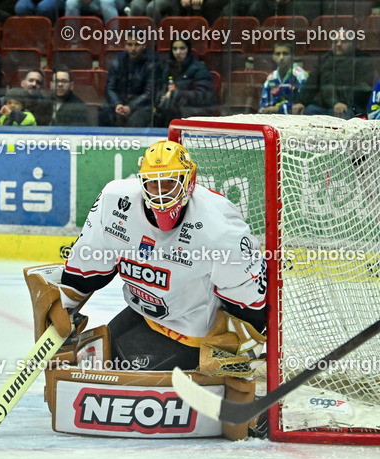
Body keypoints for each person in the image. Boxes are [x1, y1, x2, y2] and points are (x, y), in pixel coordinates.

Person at [44, 140, 267, 373]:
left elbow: (249, 299)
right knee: (86, 366)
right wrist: (65, 305)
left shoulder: (218, 228)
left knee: (116, 380)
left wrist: (241, 344)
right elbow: (87, 268)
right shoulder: (115, 202)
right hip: (142, 314)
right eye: (153, 184)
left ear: (189, 181)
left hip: (192, 332)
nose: (161, 194)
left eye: (170, 182)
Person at [292, 35, 373, 119]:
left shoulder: (362, 60)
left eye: (344, 41)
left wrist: (345, 103)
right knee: (307, 111)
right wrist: (300, 102)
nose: (338, 44)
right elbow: (311, 83)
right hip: (325, 107)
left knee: (345, 114)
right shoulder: (325, 60)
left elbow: (362, 88)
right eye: (335, 41)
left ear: (352, 44)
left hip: (350, 108)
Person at [152, 39, 217, 128]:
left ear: (188, 50)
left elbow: (205, 95)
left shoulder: (199, 68)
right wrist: (160, 96)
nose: (178, 52)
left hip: (193, 109)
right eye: (175, 49)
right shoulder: (167, 67)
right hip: (169, 108)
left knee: (172, 113)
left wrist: (176, 94)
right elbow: (160, 88)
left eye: (182, 48)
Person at [99, 35, 157, 127]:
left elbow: (149, 93)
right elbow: (110, 88)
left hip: (141, 107)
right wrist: (117, 104)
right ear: (125, 45)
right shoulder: (117, 62)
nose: (133, 48)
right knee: (105, 114)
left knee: (138, 119)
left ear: (144, 45)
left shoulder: (151, 64)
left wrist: (130, 107)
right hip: (120, 104)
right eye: (129, 44)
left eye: (137, 44)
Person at [258, 42, 307, 115]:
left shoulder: (299, 75)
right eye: (278, 54)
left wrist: (278, 109)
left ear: (292, 56)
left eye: (285, 54)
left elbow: (302, 103)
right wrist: (264, 110)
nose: (281, 57)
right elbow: (264, 104)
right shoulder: (271, 78)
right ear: (273, 57)